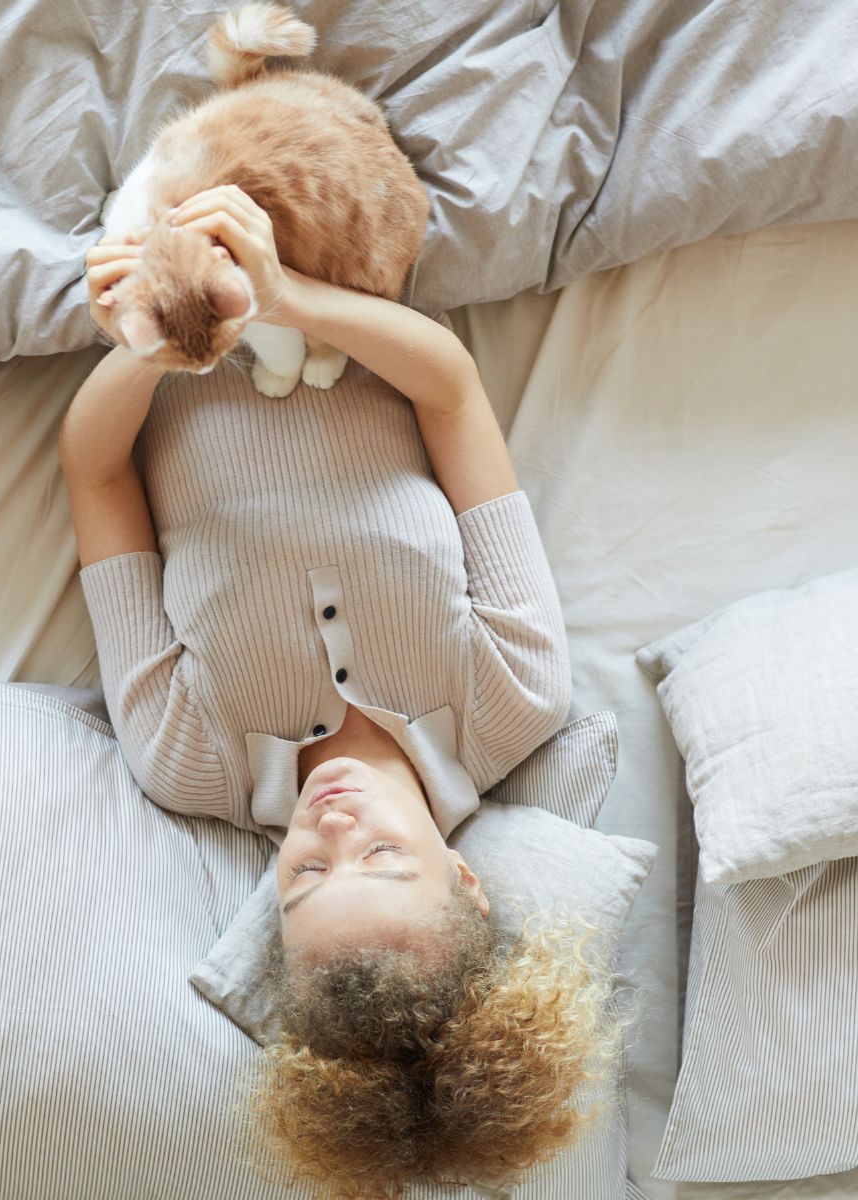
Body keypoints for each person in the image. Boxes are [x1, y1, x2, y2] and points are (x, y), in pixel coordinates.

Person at [58, 186, 619, 1198]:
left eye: (307, 879)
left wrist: (149, 346)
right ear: (466, 880)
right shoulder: (516, 695)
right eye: (382, 859)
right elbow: (449, 392)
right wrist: (288, 297)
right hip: (333, 258)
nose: (331, 828)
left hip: (168, 300)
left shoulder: (189, 760)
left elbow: (95, 477)